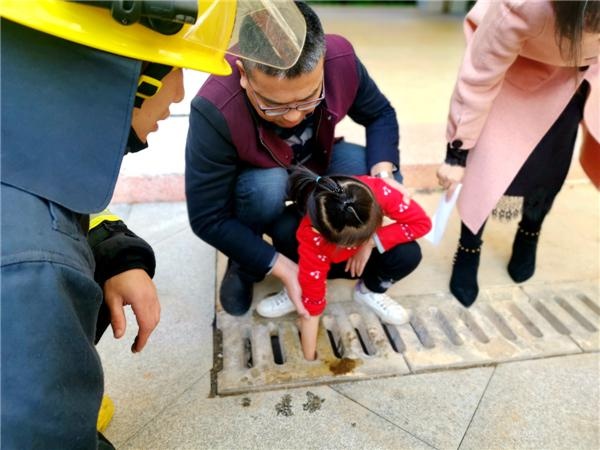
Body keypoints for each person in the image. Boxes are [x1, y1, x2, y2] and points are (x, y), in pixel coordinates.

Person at [1, 1, 305, 447]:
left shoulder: (25, 152)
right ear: (125, 72)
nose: (179, 92)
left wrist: (115, 253)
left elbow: (63, 202)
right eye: (173, 66)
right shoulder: (35, 276)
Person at [186, 1, 411, 323]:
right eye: (273, 105)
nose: (292, 117)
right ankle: (245, 260)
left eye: (308, 100)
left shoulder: (340, 59)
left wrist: (384, 173)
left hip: (319, 158)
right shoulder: (215, 108)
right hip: (260, 172)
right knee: (266, 186)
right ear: (244, 75)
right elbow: (207, 217)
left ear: (321, 64)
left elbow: (379, 114)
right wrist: (278, 264)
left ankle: (322, 239)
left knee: (371, 173)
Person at [436, 0, 599, 307]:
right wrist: (456, 155)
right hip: (512, 70)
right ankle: (469, 246)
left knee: (550, 168)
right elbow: (478, 77)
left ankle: (529, 232)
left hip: (577, 78)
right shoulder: (521, 5)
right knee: (486, 164)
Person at [267, 167, 431, 360]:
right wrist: (309, 357)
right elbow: (313, 306)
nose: (353, 246)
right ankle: (296, 287)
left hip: (361, 262)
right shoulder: (312, 233)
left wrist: (369, 242)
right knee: (283, 227)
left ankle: (369, 290)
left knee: (409, 253)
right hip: (322, 260)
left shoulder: (378, 192)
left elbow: (422, 223)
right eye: (349, 243)